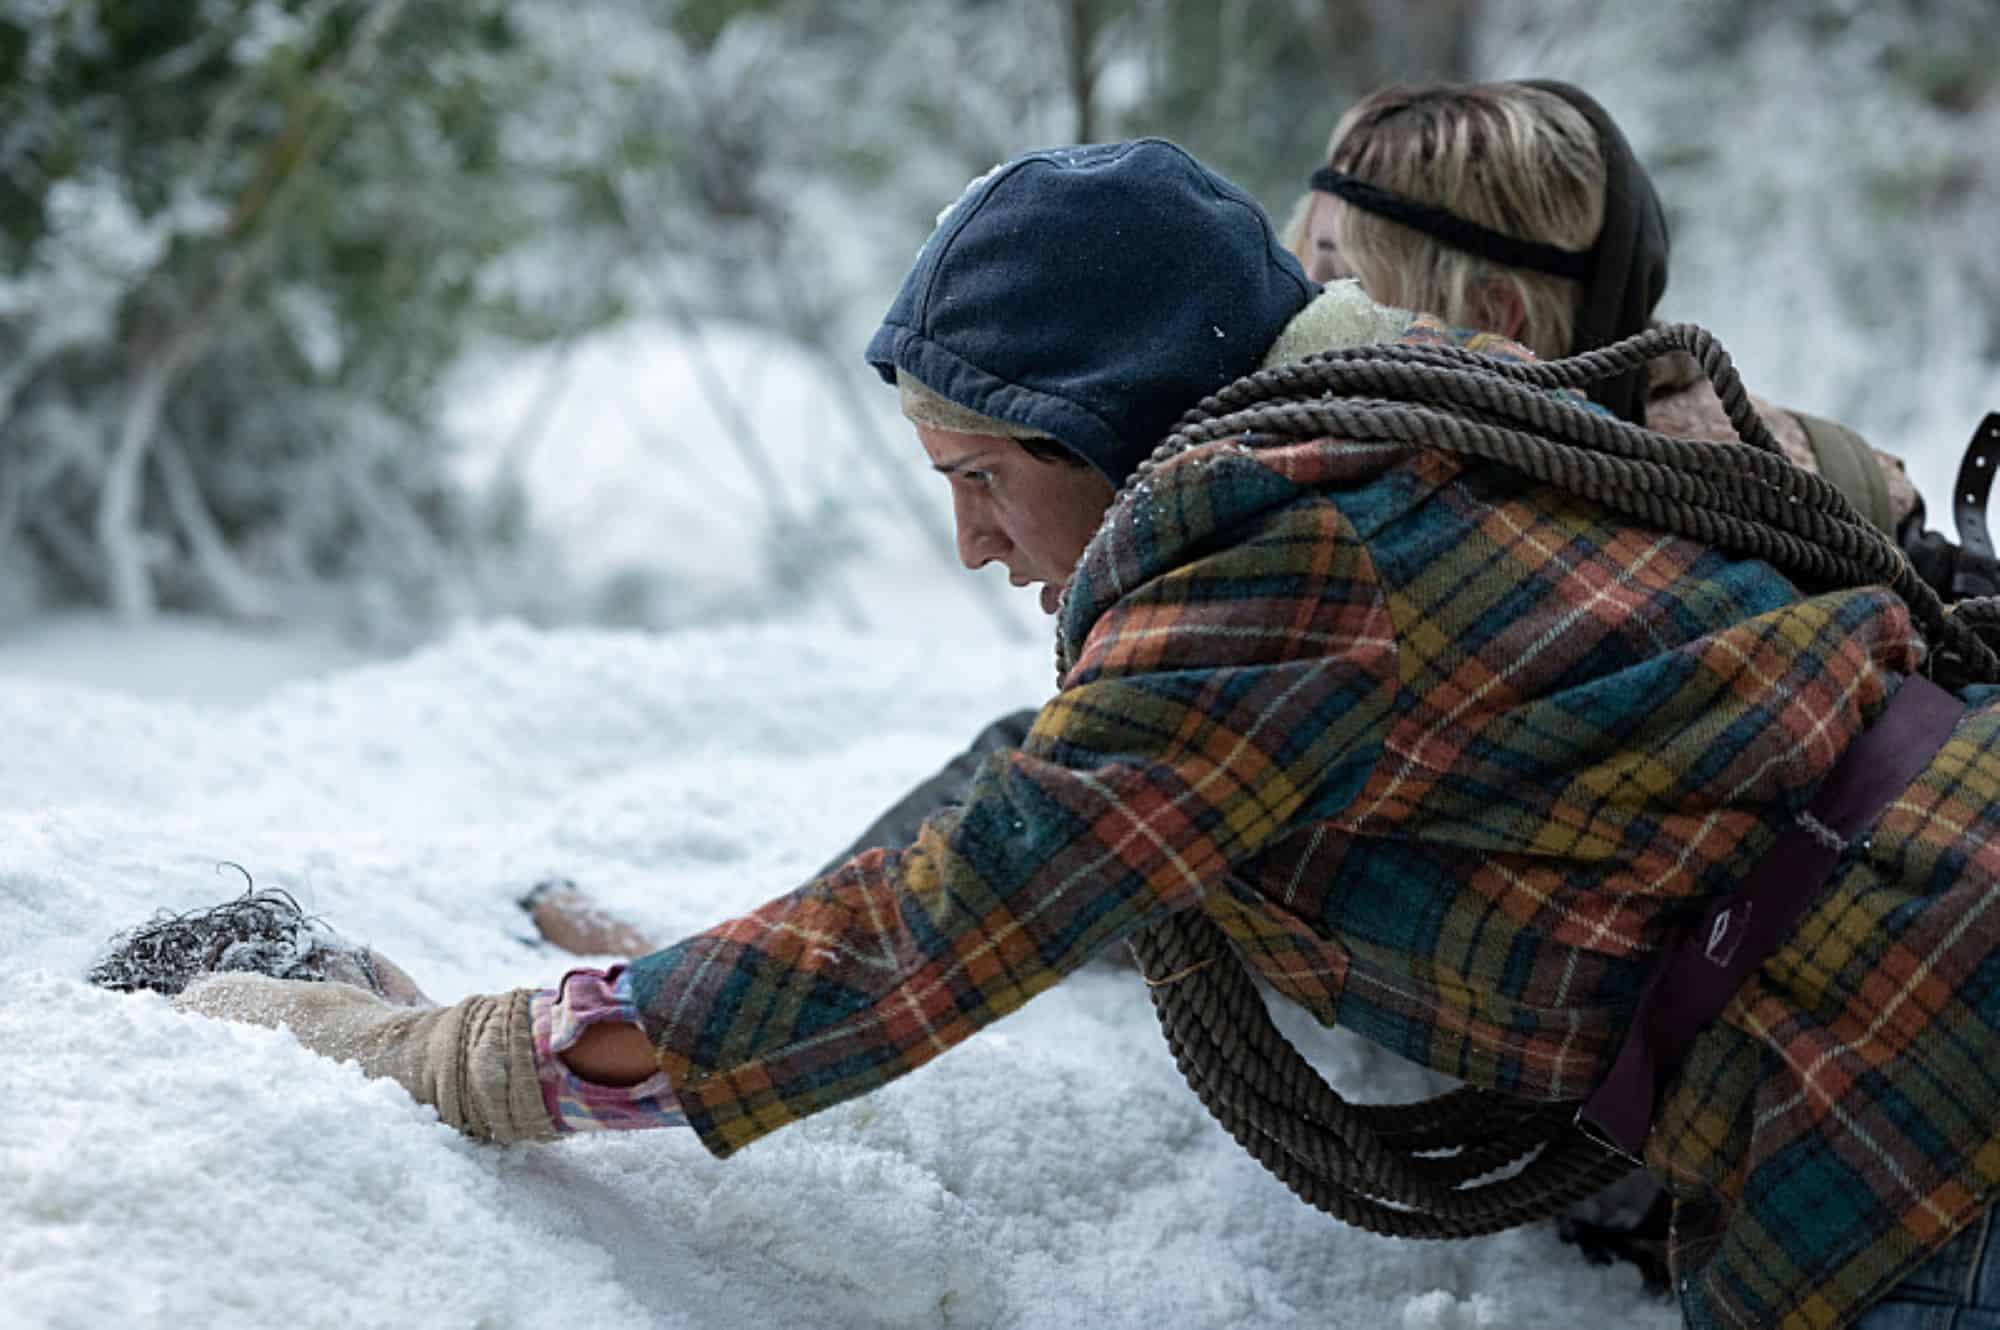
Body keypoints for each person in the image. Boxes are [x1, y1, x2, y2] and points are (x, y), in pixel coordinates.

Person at [169, 139, 2000, 1330]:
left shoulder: (1283, 551)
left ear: (1110, 426)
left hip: (1927, 1063)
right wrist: (673, 957)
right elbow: (1047, 794)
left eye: (982, 476)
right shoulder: (1402, 434)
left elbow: (950, 922)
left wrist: (447, 1056)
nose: (970, 540)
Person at [1281, 79, 1994, 598]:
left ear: (1492, 312)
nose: (1302, 291)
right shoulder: (1831, 481)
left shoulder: (1445, 541)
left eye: (1339, 269)